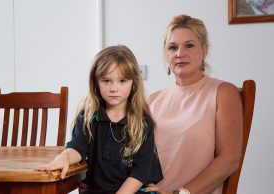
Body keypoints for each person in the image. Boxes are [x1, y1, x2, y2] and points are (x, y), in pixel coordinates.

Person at [36, 45, 163, 194]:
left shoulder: (143, 122)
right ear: (95, 82)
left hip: (134, 190)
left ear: (133, 82)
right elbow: (77, 148)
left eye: (122, 81)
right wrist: (64, 157)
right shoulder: (88, 115)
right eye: (106, 81)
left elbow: (141, 171)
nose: (113, 88)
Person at [145, 15, 243, 194]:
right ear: (166, 54)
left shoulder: (223, 93)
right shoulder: (153, 100)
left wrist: (181, 193)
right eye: (173, 47)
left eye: (189, 45)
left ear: (204, 49)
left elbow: (230, 159)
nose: (179, 53)